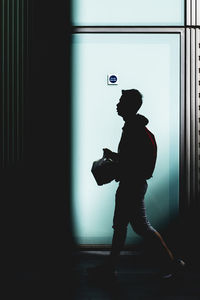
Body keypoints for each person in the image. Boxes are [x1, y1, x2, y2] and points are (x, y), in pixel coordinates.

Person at [88, 89, 185, 281]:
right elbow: (132, 160)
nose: (117, 104)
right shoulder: (136, 129)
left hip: (131, 186)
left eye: (121, 101)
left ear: (130, 106)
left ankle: (172, 264)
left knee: (138, 227)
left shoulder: (134, 130)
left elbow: (132, 163)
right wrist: (115, 157)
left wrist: (115, 165)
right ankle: (111, 267)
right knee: (125, 227)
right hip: (132, 185)